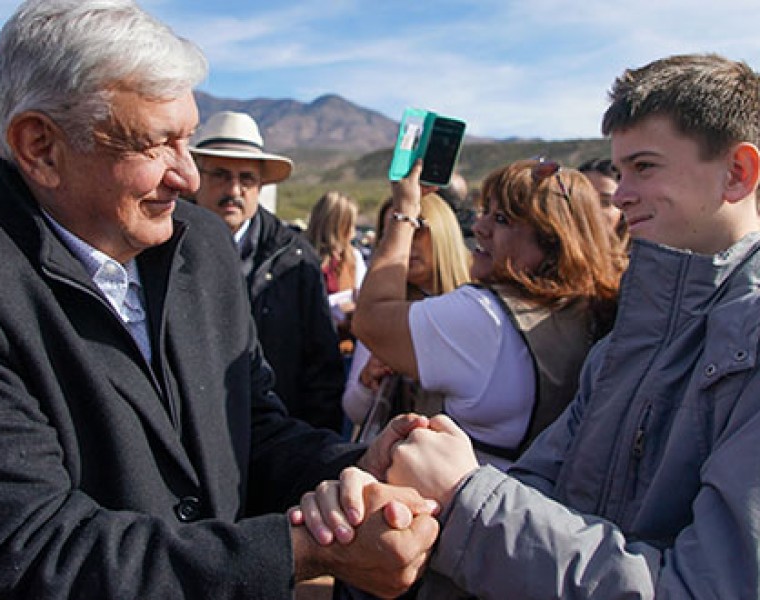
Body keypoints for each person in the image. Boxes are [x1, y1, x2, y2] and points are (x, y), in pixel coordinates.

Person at [0, 1, 441, 598]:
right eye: (157, 144)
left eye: (187, 140)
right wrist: (300, 552)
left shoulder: (200, 245)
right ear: (40, 147)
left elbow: (250, 429)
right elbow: (23, 554)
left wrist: (355, 469)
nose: (189, 177)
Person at [303, 53, 760, 599]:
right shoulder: (630, 338)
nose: (621, 193)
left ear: (738, 173)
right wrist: (421, 501)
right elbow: (544, 487)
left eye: (645, 167)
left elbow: (703, 588)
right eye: (620, 171)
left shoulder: (740, 342)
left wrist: (464, 494)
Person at [352, 155, 626, 467]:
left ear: (552, 239)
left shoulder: (484, 316)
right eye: (486, 212)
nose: (479, 228)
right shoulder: (585, 307)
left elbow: (371, 318)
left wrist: (404, 213)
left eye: (502, 219)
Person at [191, 111, 346, 432]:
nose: (234, 189)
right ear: (197, 176)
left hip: (275, 439)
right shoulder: (159, 246)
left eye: (246, 178)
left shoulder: (295, 258)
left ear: (260, 185)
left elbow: (322, 367)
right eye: (220, 174)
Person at [343, 193, 471, 432]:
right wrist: (366, 380)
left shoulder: (478, 303)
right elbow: (354, 410)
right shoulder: (382, 311)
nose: (406, 241)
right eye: (392, 232)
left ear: (444, 230)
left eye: (418, 226)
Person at [305, 190, 368, 357]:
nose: (354, 233)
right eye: (351, 226)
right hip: (311, 351)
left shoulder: (353, 259)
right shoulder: (301, 258)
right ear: (338, 227)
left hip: (345, 349)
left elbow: (363, 298)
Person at [578, 156, 629, 245]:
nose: (593, 211)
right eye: (583, 200)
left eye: (605, 202)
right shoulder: (550, 256)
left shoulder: (647, 257)